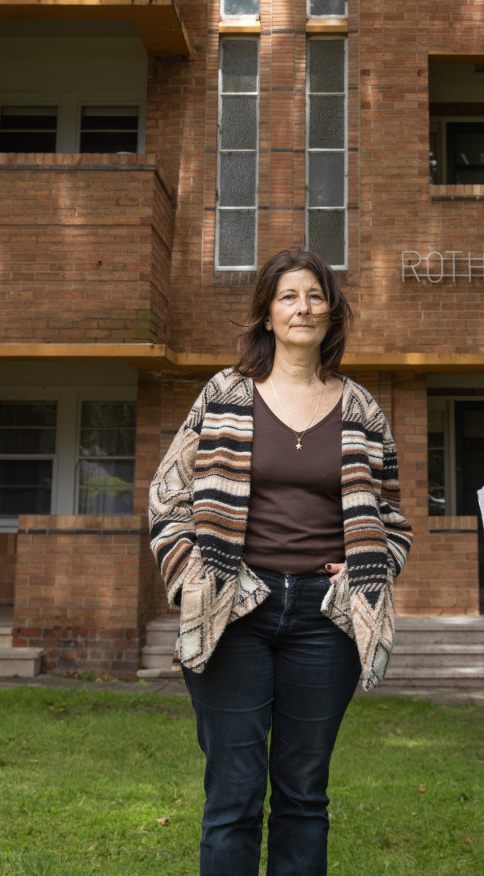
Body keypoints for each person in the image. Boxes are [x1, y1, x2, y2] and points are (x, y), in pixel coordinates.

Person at [148, 249, 413, 876]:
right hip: (232, 610)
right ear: (267, 313)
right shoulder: (224, 394)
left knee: (302, 794)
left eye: (316, 295)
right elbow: (165, 493)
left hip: (325, 621)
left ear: (331, 312)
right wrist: (192, 573)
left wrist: (369, 570)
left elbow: (395, 516)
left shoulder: (362, 409)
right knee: (233, 795)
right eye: (289, 296)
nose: (303, 307)